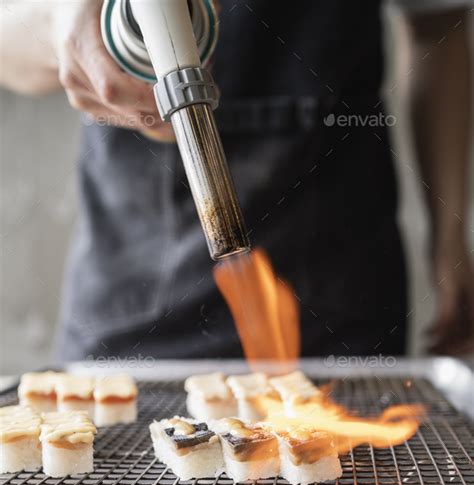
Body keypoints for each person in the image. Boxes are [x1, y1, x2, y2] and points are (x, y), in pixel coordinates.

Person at [1, 0, 472, 359]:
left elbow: (438, 28)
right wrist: (60, 22)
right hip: (132, 311)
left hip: (340, 293)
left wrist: (449, 240)